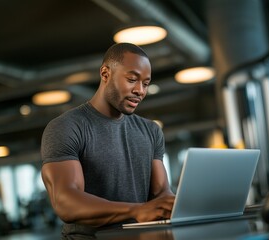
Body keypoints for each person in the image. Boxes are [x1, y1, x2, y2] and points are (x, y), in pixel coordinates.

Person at [40, 42, 175, 238]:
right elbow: (65, 202)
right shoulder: (67, 127)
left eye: (145, 84)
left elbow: (161, 192)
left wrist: (182, 205)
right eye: (132, 80)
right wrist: (135, 211)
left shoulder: (151, 131)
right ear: (105, 74)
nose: (140, 90)